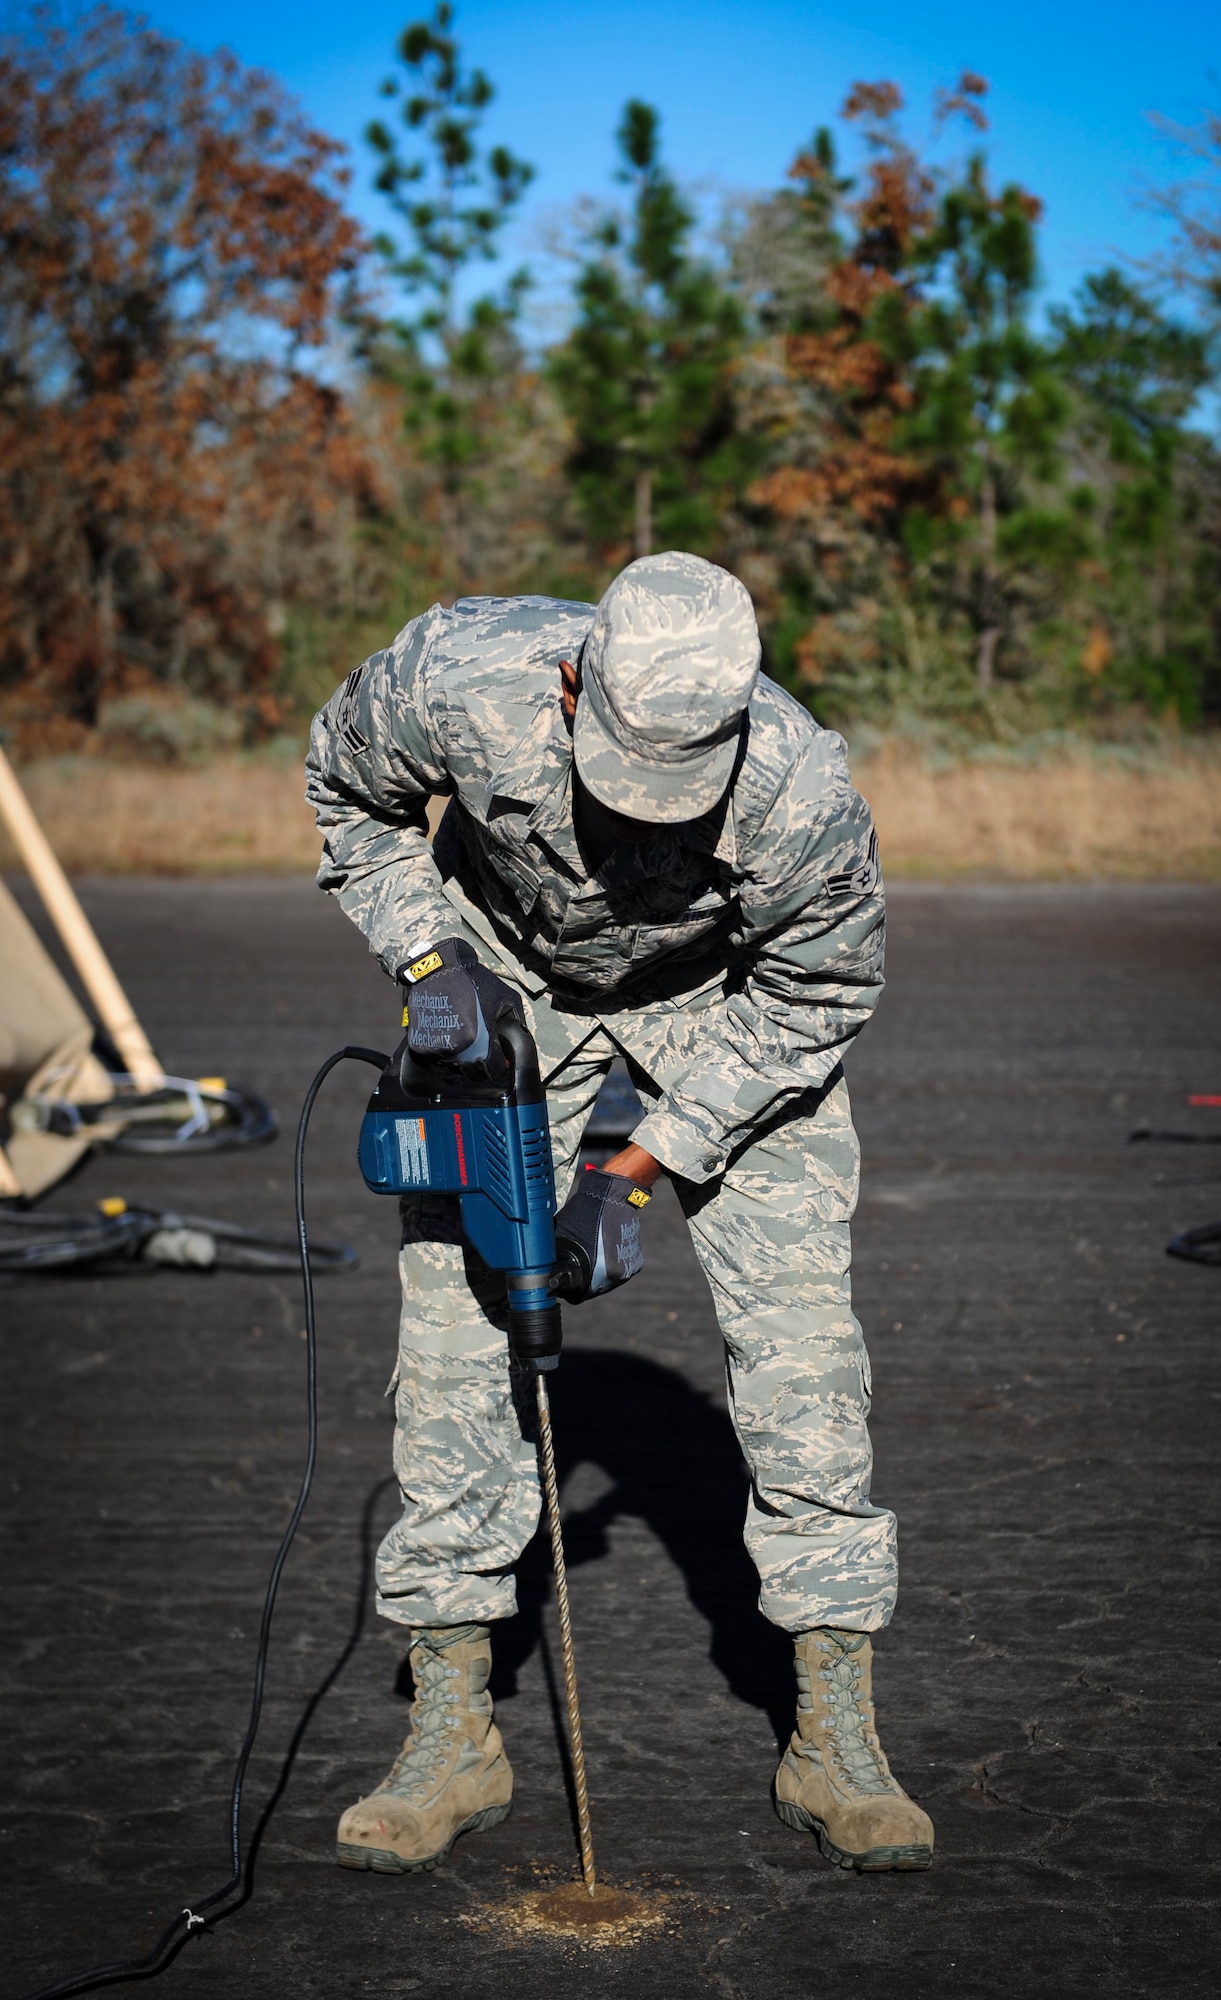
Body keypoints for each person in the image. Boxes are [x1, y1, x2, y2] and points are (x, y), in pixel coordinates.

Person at [306, 550, 934, 1880]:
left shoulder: (799, 791)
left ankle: (832, 1735)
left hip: (730, 1004)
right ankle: (453, 1732)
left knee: (802, 1355)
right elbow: (346, 798)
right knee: (456, 1345)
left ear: (742, 713)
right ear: (576, 676)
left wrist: (636, 1163)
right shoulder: (457, 674)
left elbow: (820, 992)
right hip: (503, 976)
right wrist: (431, 959)